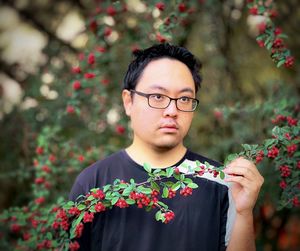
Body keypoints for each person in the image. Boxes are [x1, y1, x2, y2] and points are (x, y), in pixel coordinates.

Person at [69, 43, 264, 251]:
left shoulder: (223, 183)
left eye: (184, 99)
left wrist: (243, 213)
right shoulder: (93, 184)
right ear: (128, 101)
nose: (172, 110)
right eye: (158, 97)